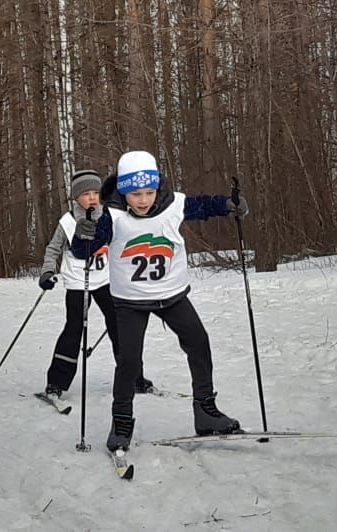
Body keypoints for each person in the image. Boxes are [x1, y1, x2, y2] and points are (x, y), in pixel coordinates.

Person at [70, 151, 250, 452]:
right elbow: (82, 251)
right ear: (124, 192)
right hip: (130, 301)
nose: (143, 200)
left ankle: (206, 412)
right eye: (135, 194)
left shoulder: (174, 204)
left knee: (199, 343)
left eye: (149, 192)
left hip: (172, 295)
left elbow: (204, 205)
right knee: (128, 361)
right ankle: (122, 421)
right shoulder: (111, 216)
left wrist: (229, 204)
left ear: (158, 187)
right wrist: (83, 234)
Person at [38, 170, 153, 401]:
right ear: (75, 197)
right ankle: (56, 384)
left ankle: (134, 378)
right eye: (86, 193)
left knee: (120, 328)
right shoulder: (68, 221)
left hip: (106, 281)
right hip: (78, 283)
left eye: (95, 192)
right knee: (73, 330)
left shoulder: (109, 216)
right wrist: (47, 271)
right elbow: (53, 249)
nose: (92, 197)